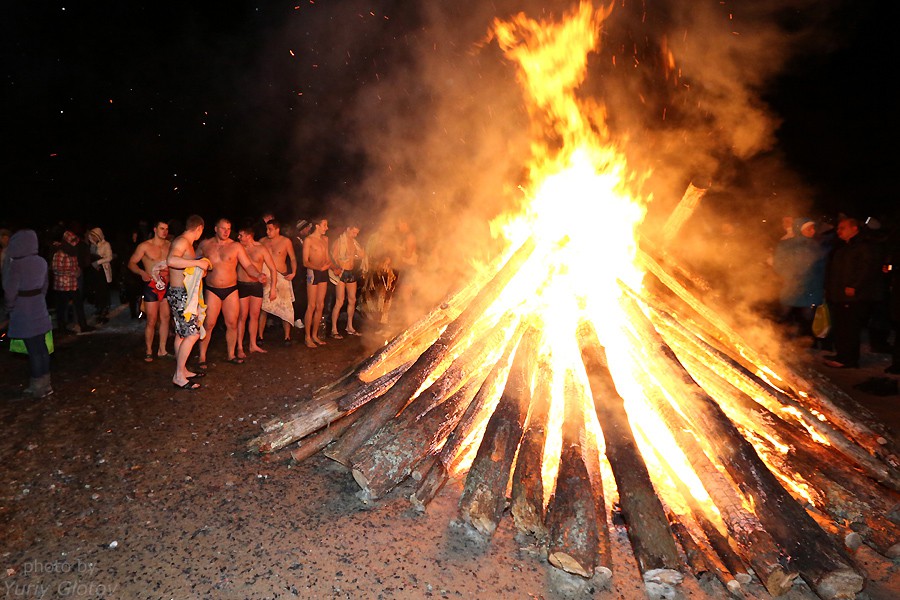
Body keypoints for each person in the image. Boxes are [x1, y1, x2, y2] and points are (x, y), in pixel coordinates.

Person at [196, 218, 267, 366]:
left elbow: (248, 265)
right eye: (223, 228)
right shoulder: (205, 245)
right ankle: (202, 357)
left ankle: (231, 354)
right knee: (208, 324)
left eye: (228, 229)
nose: (226, 232)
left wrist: (258, 274)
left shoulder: (235, 246)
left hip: (231, 290)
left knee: (232, 323)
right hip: (212, 290)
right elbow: (193, 260)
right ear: (216, 229)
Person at [823, 217, 883, 369]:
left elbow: (867, 269)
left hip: (854, 296)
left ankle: (848, 360)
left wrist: (854, 286)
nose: (839, 231)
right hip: (839, 295)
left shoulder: (863, 246)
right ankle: (842, 354)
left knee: (849, 328)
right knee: (841, 326)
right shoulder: (844, 247)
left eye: (842, 228)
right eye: (838, 228)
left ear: (854, 229)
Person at [3, 229, 54, 397]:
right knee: (41, 348)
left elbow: (11, 291)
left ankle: (37, 386)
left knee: (33, 350)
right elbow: (45, 285)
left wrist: (9, 307)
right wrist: (39, 298)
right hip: (39, 306)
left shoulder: (16, 264)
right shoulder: (41, 262)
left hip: (23, 311)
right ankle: (46, 384)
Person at [165, 215, 210, 390]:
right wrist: (197, 264)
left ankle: (182, 370)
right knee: (193, 334)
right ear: (199, 228)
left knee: (181, 334)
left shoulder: (185, 243)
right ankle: (178, 375)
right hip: (180, 295)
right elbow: (171, 260)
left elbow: (173, 262)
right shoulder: (182, 241)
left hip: (182, 293)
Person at [772, 219, 829, 341]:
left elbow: (821, 269)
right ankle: (781, 346)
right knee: (785, 320)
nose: (813, 231)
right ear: (800, 229)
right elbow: (778, 264)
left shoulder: (816, 246)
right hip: (791, 289)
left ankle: (803, 348)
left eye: (814, 228)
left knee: (805, 323)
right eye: (810, 228)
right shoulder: (786, 245)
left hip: (810, 291)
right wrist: (790, 277)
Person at [128, 220, 172, 361]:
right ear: (155, 229)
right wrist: (141, 272)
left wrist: (169, 273)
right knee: (152, 320)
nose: (164, 231)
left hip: (166, 285)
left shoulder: (170, 246)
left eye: (166, 229)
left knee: (165, 318)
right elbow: (131, 263)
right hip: (151, 286)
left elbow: (175, 264)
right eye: (162, 228)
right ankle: (148, 350)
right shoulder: (145, 246)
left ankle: (162, 350)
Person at [236, 224, 279, 357]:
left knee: (254, 316)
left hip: (256, 286)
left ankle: (253, 344)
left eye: (241, 235)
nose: (238, 237)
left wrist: (273, 289)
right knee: (242, 316)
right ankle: (239, 346)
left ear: (249, 236)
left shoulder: (261, 249)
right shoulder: (238, 248)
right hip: (241, 284)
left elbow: (273, 268)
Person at [259, 219, 297, 345]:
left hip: (282, 276)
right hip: (267, 278)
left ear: (277, 229)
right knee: (263, 308)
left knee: (286, 307)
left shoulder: (286, 241)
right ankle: (260, 336)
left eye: (270, 229)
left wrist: (294, 272)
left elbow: (292, 258)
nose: (267, 232)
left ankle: (287, 337)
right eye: (266, 229)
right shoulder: (262, 242)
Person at [330, 223, 366, 338]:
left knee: (352, 300)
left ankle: (349, 327)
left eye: (357, 233)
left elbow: (360, 255)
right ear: (348, 229)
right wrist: (336, 268)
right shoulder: (339, 241)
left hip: (351, 272)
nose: (355, 235)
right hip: (341, 273)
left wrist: (358, 255)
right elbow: (332, 257)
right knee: (340, 301)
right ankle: (334, 329)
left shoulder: (354, 242)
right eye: (353, 232)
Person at [52, 230, 92, 335]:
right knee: (62, 307)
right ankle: (62, 327)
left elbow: (75, 265)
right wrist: (72, 272)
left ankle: (83, 325)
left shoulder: (73, 251)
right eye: (72, 240)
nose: (74, 242)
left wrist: (78, 270)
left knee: (79, 304)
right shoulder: (60, 253)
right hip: (62, 285)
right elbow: (56, 269)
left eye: (75, 240)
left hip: (73, 283)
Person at [302, 218, 331, 347]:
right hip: (313, 272)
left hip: (323, 273)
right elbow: (305, 262)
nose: (327, 228)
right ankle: (307, 337)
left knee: (320, 305)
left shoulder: (325, 240)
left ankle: (315, 335)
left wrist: (331, 266)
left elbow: (328, 258)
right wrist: (319, 268)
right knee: (312, 305)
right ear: (317, 226)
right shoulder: (308, 240)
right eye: (324, 225)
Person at [86, 227, 114, 323]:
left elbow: (109, 257)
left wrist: (97, 262)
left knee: (103, 290)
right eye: (92, 236)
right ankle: (99, 307)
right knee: (97, 289)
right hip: (95, 271)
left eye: (94, 236)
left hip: (103, 270)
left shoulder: (106, 244)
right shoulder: (92, 246)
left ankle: (104, 308)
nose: (93, 238)